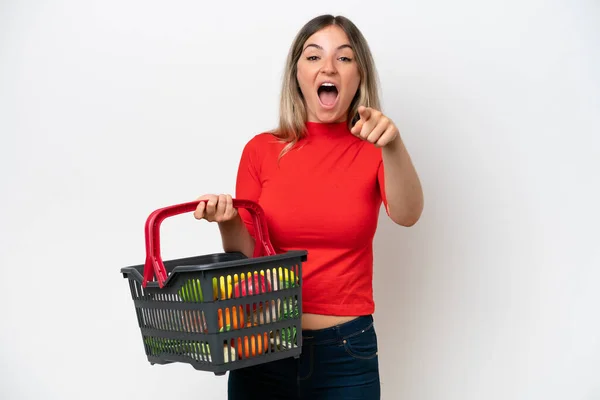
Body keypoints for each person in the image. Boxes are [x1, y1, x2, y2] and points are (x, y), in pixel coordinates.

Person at [194, 14, 423, 400]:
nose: (329, 67)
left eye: (344, 58)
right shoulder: (261, 150)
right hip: (260, 344)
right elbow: (248, 254)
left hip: (346, 349)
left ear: (359, 75)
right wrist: (228, 221)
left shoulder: (375, 148)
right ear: (297, 74)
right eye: (314, 56)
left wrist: (393, 145)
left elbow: (407, 213)